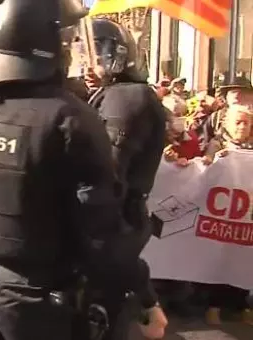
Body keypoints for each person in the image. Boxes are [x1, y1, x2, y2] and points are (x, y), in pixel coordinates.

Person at [0, 1, 166, 339]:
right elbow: (101, 233)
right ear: (50, 40)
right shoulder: (70, 119)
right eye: (68, 36)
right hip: (38, 306)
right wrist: (145, 298)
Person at [85, 18, 168, 340]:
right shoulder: (110, 94)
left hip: (112, 224)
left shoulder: (128, 98)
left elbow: (106, 172)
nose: (86, 63)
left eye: (94, 53)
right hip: (107, 226)